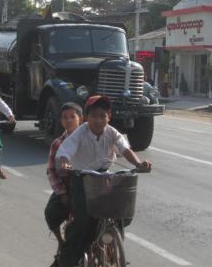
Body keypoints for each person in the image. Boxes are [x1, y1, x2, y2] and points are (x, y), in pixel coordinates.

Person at [54, 95, 152, 267]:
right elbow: (65, 151)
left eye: (102, 116)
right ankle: (68, 259)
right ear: (86, 117)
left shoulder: (112, 132)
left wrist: (138, 163)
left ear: (109, 117)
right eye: (94, 116)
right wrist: (63, 163)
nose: (98, 120)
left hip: (104, 177)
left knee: (120, 214)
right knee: (83, 222)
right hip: (81, 178)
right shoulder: (80, 132)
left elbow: (125, 148)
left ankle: (115, 251)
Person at [45, 102, 84, 255]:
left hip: (90, 186)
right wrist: (62, 193)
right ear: (60, 121)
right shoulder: (57, 143)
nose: (68, 120)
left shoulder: (88, 138)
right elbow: (51, 171)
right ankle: (61, 243)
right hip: (67, 187)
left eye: (72, 117)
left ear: (80, 119)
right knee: (51, 213)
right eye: (64, 117)